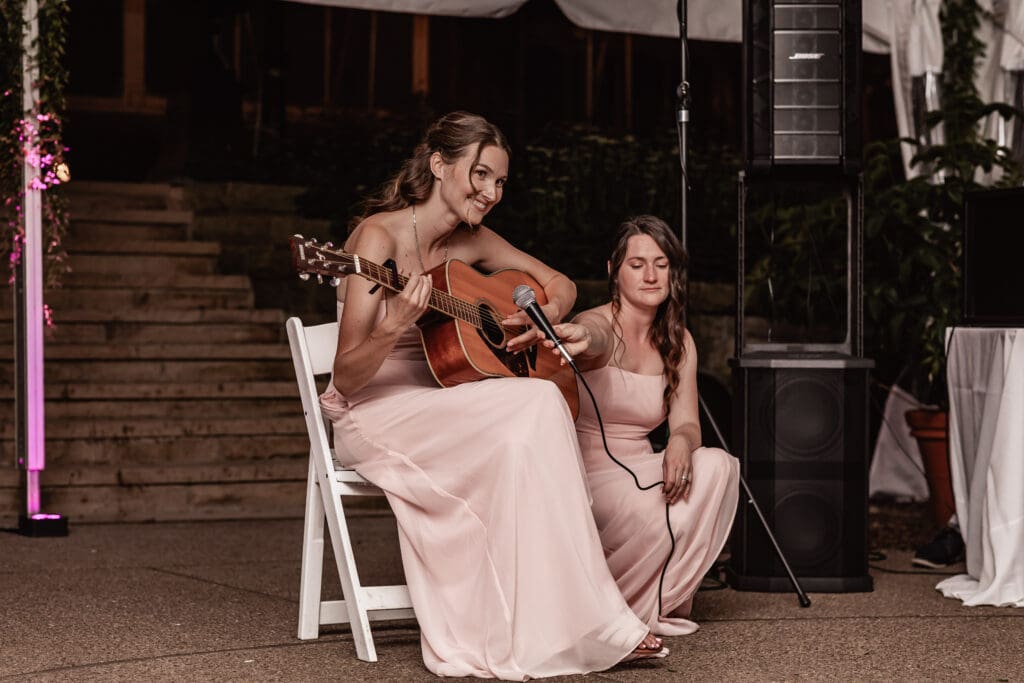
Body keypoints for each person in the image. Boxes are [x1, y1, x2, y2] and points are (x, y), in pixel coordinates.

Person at [318, 112, 665, 679]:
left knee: (537, 405)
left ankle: (557, 622)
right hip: (377, 411)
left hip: (445, 401)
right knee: (536, 403)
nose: (492, 192)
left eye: (501, 181)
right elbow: (348, 376)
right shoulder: (376, 239)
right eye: (481, 175)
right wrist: (394, 323)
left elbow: (563, 284)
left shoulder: (471, 240)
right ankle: (587, 621)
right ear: (439, 165)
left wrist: (541, 313)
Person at [547, 215, 740, 637]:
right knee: (669, 510)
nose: (651, 275)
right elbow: (592, 336)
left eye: (661, 264)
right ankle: (619, 610)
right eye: (637, 265)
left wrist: (681, 443)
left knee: (718, 465)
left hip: (643, 467)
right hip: (589, 477)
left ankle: (654, 603)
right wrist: (583, 335)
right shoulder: (597, 323)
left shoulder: (679, 340)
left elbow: (687, 422)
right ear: (613, 271)